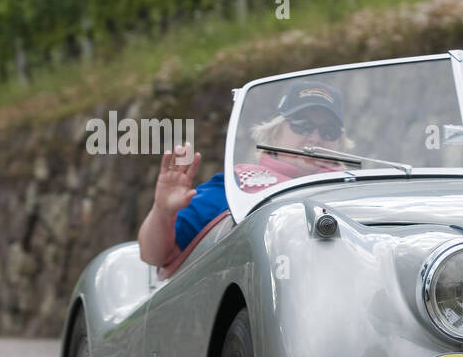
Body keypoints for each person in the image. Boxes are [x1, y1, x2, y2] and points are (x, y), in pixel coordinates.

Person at [137, 80, 346, 268]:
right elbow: (155, 256)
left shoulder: (355, 189)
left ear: (340, 143)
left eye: (328, 131)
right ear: (274, 134)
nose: (316, 138)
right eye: (303, 126)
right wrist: (163, 211)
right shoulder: (236, 186)